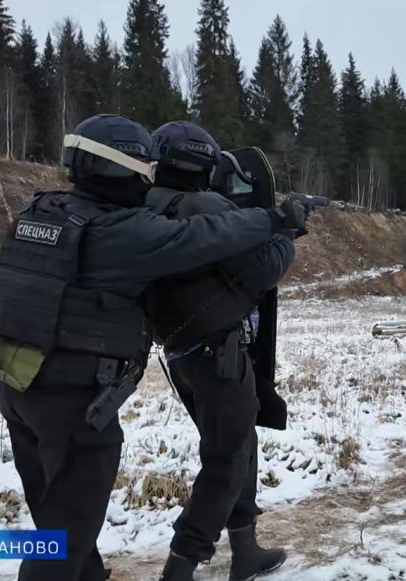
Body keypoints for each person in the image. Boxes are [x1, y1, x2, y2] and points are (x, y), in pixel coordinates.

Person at [0, 114, 308, 581]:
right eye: (141, 170)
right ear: (118, 170)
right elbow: (209, 237)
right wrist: (279, 220)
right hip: (73, 399)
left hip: (17, 380)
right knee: (62, 545)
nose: (148, 182)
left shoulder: (42, 210)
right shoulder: (120, 232)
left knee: (59, 527)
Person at [144, 121, 299, 581]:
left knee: (239, 442)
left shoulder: (148, 205)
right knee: (227, 460)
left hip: (181, 352)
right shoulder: (206, 206)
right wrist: (287, 230)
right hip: (218, 353)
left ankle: (245, 549)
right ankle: (181, 566)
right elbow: (265, 268)